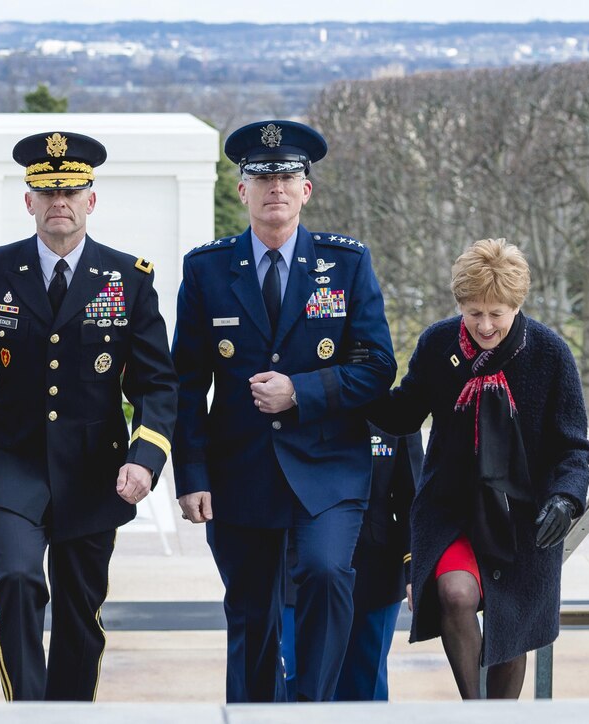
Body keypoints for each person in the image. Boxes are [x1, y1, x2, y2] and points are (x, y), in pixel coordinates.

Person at [0, 131, 177, 701]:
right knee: (19, 580)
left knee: (78, 612)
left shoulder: (129, 278)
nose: (59, 203)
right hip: (11, 464)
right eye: (47, 193)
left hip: (94, 473)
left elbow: (158, 385)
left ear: (91, 200)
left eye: (71, 191)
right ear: (29, 201)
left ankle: (69, 713)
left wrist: (145, 461)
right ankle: (28, 710)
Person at [172, 119, 397, 702]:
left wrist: (302, 391)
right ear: (241, 190)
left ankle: (312, 710)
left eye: (288, 175)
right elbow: (186, 384)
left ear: (306, 191)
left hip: (328, 468)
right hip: (240, 469)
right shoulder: (206, 269)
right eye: (261, 175)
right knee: (251, 614)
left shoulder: (345, 265)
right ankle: (251, 715)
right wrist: (191, 475)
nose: (276, 186)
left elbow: (377, 366)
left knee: (325, 575)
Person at [367, 238, 589, 699]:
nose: (485, 325)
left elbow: (574, 447)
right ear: (460, 306)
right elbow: (404, 413)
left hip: (525, 518)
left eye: (497, 313)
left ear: (517, 304)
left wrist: (566, 498)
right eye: (474, 313)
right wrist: (352, 384)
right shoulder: (437, 343)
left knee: (511, 627)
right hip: (452, 512)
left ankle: (500, 715)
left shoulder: (550, 354)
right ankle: (474, 710)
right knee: (455, 595)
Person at [280, 423, 422, 701]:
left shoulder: (394, 414)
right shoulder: (295, 402)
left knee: (364, 686)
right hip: (299, 572)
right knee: (299, 682)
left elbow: (411, 499)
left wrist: (414, 569)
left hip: (375, 575)